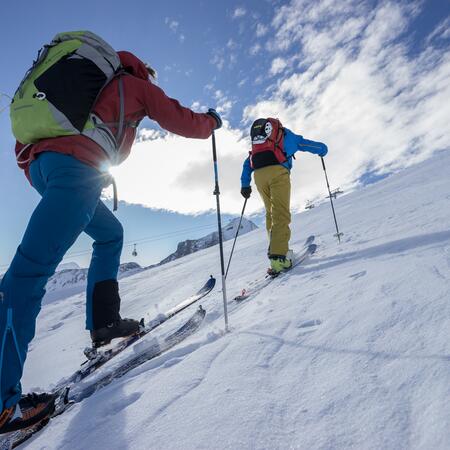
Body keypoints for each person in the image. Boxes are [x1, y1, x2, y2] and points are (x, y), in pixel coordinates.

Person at [0, 49, 222, 434]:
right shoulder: (131, 84)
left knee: (110, 234)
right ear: (142, 72)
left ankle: (104, 323)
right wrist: (211, 122)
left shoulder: (83, 82)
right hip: (75, 171)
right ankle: (3, 405)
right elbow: (179, 118)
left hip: (45, 167)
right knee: (28, 274)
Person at [240, 118, 327, 275]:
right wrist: (323, 149)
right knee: (280, 213)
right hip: (278, 173)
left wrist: (245, 184)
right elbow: (306, 144)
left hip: (259, 176)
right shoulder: (285, 135)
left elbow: (248, 162)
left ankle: (276, 250)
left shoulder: (259, 144)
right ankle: (279, 258)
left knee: (270, 213)